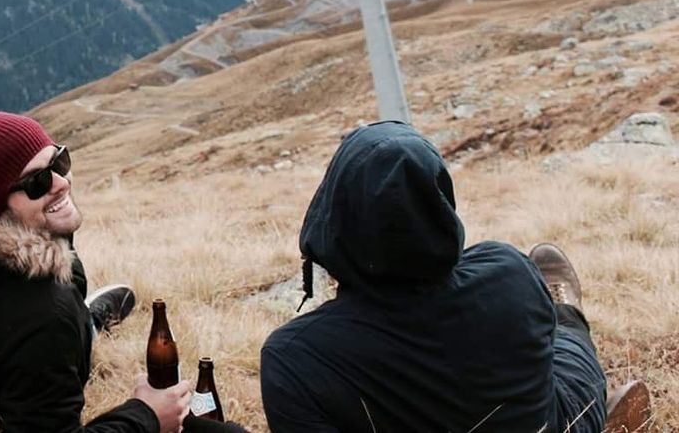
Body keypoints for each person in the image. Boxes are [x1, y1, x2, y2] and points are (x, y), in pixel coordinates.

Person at [259, 120, 648, 432]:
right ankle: (567, 316)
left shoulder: (294, 356)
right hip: (545, 422)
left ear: (331, 215)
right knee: (564, 349)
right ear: (439, 203)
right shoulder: (508, 270)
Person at [0, 111, 241, 433]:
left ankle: (88, 319)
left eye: (59, 161)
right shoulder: (45, 316)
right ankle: (87, 321)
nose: (61, 182)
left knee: (69, 294)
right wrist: (146, 415)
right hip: (14, 385)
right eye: (37, 182)